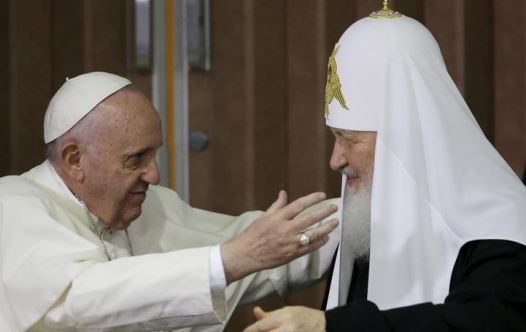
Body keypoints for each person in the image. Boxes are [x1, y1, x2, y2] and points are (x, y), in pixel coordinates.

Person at [244, 3, 526, 332]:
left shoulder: (502, 228)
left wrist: (329, 327)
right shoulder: (369, 219)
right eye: (335, 137)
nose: (335, 160)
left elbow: (480, 324)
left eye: (349, 139)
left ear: (403, 137)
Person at [0, 72, 340, 331]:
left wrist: (362, 214)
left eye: (155, 154)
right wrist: (232, 258)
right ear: (75, 159)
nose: (155, 176)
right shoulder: (13, 204)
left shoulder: (151, 206)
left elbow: (251, 250)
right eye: (136, 158)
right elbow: (80, 296)